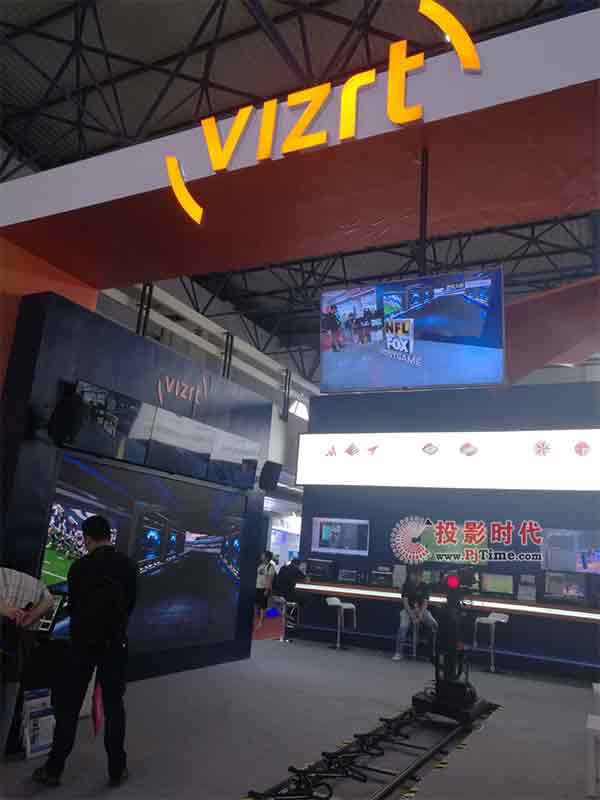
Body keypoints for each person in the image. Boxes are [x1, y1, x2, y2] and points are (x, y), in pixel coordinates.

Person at [32, 515, 138, 788]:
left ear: (88, 538)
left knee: (68, 707)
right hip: (115, 644)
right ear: (109, 536)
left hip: (81, 644)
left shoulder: (79, 567)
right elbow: (130, 604)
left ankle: (54, 769)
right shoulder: (128, 565)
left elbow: (75, 607)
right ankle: (117, 769)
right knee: (114, 707)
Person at [1, 566, 54, 758]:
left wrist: (11, 612)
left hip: (11, 635)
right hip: (22, 639)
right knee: (9, 696)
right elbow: (49, 601)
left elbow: (7, 611)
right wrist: (31, 616)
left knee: (10, 692)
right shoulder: (33, 583)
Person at [393, 568, 438, 661]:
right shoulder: (407, 585)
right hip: (407, 610)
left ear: (421, 576)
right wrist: (412, 615)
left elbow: (425, 603)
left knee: (434, 625)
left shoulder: (425, 586)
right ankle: (398, 652)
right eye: (415, 575)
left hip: (422, 610)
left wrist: (420, 615)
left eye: (419, 575)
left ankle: (433, 653)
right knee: (403, 628)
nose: (417, 577)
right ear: (411, 576)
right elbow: (405, 602)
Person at [255, 550, 276, 630]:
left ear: (266, 557)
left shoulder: (271, 567)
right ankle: (257, 619)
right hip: (257, 587)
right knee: (257, 604)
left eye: (263, 555)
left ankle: (260, 622)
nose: (261, 556)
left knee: (263, 606)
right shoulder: (260, 565)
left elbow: (270, 579)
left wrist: (267, 589)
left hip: (264, 588)